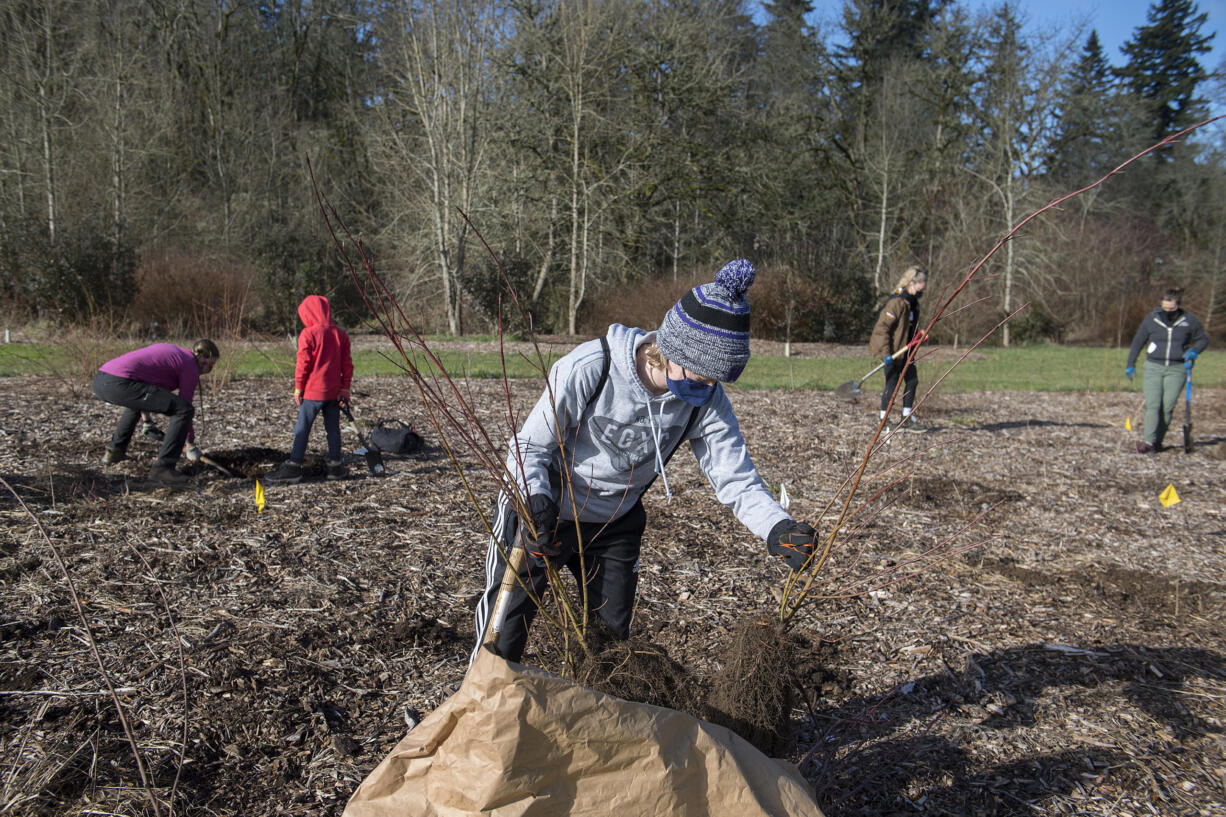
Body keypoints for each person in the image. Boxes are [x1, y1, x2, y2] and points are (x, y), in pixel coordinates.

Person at [471, 259, 819, 664]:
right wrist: (535, 502)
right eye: (701, 376)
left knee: (609, 648)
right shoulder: (592, 366)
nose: (707, 388)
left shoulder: (706, 402)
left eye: (716, 381)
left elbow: (735, 477)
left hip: (614, 524)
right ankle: (479, 713)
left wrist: (777, 526)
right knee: (504, 633)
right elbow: (528, 446)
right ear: (671, 349)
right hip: (545, 512)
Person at [93, 339, 220, 486]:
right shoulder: (189, 365)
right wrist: (190, 444)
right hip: (120, 383)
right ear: (201, 357)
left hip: (102, 380)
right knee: (183, 410)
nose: (209, 368)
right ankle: (163, 468)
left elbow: (146, 389)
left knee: (136, 403)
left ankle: (115, 452)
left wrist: (147, 422)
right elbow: (185, 405)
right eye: (210, 364)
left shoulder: (176, 355)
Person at [264, 295, 353, 484]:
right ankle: (335, 467)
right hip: (334, 392)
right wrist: (345, 389)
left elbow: (303, 363)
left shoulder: (309, 334)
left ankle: (294, 466)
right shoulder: (341, 334)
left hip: (313, 392)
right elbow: (347, 365)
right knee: (333, 429)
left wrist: (298, 387)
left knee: (302, 428)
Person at [1125, 288, 1208, 453]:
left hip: (1178, 369)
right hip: (1153, 367)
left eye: (1171, 309)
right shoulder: (1151, 319)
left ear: (1178, 305)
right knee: (1153, 405)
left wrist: (1194, 351)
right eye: (1165, 308)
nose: (1167, 312)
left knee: (1167, 407)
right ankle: (1148, 442)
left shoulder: (1189, 320)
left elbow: (1202, 339)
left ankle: (1158, 442)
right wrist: (1130, 363)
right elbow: (1138, 341)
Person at [869, 266, 927, 432]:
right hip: (893, 350)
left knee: (912, 380)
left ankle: (906, 418)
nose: (923, 289)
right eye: (921, 285)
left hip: (907, 349)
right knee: (892, 383)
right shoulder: (896, 302)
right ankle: (884, 420)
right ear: (911, 283)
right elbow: (882, 329)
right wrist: (887, 354)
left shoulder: (913, 303)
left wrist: (918, 336)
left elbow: (908, 327)